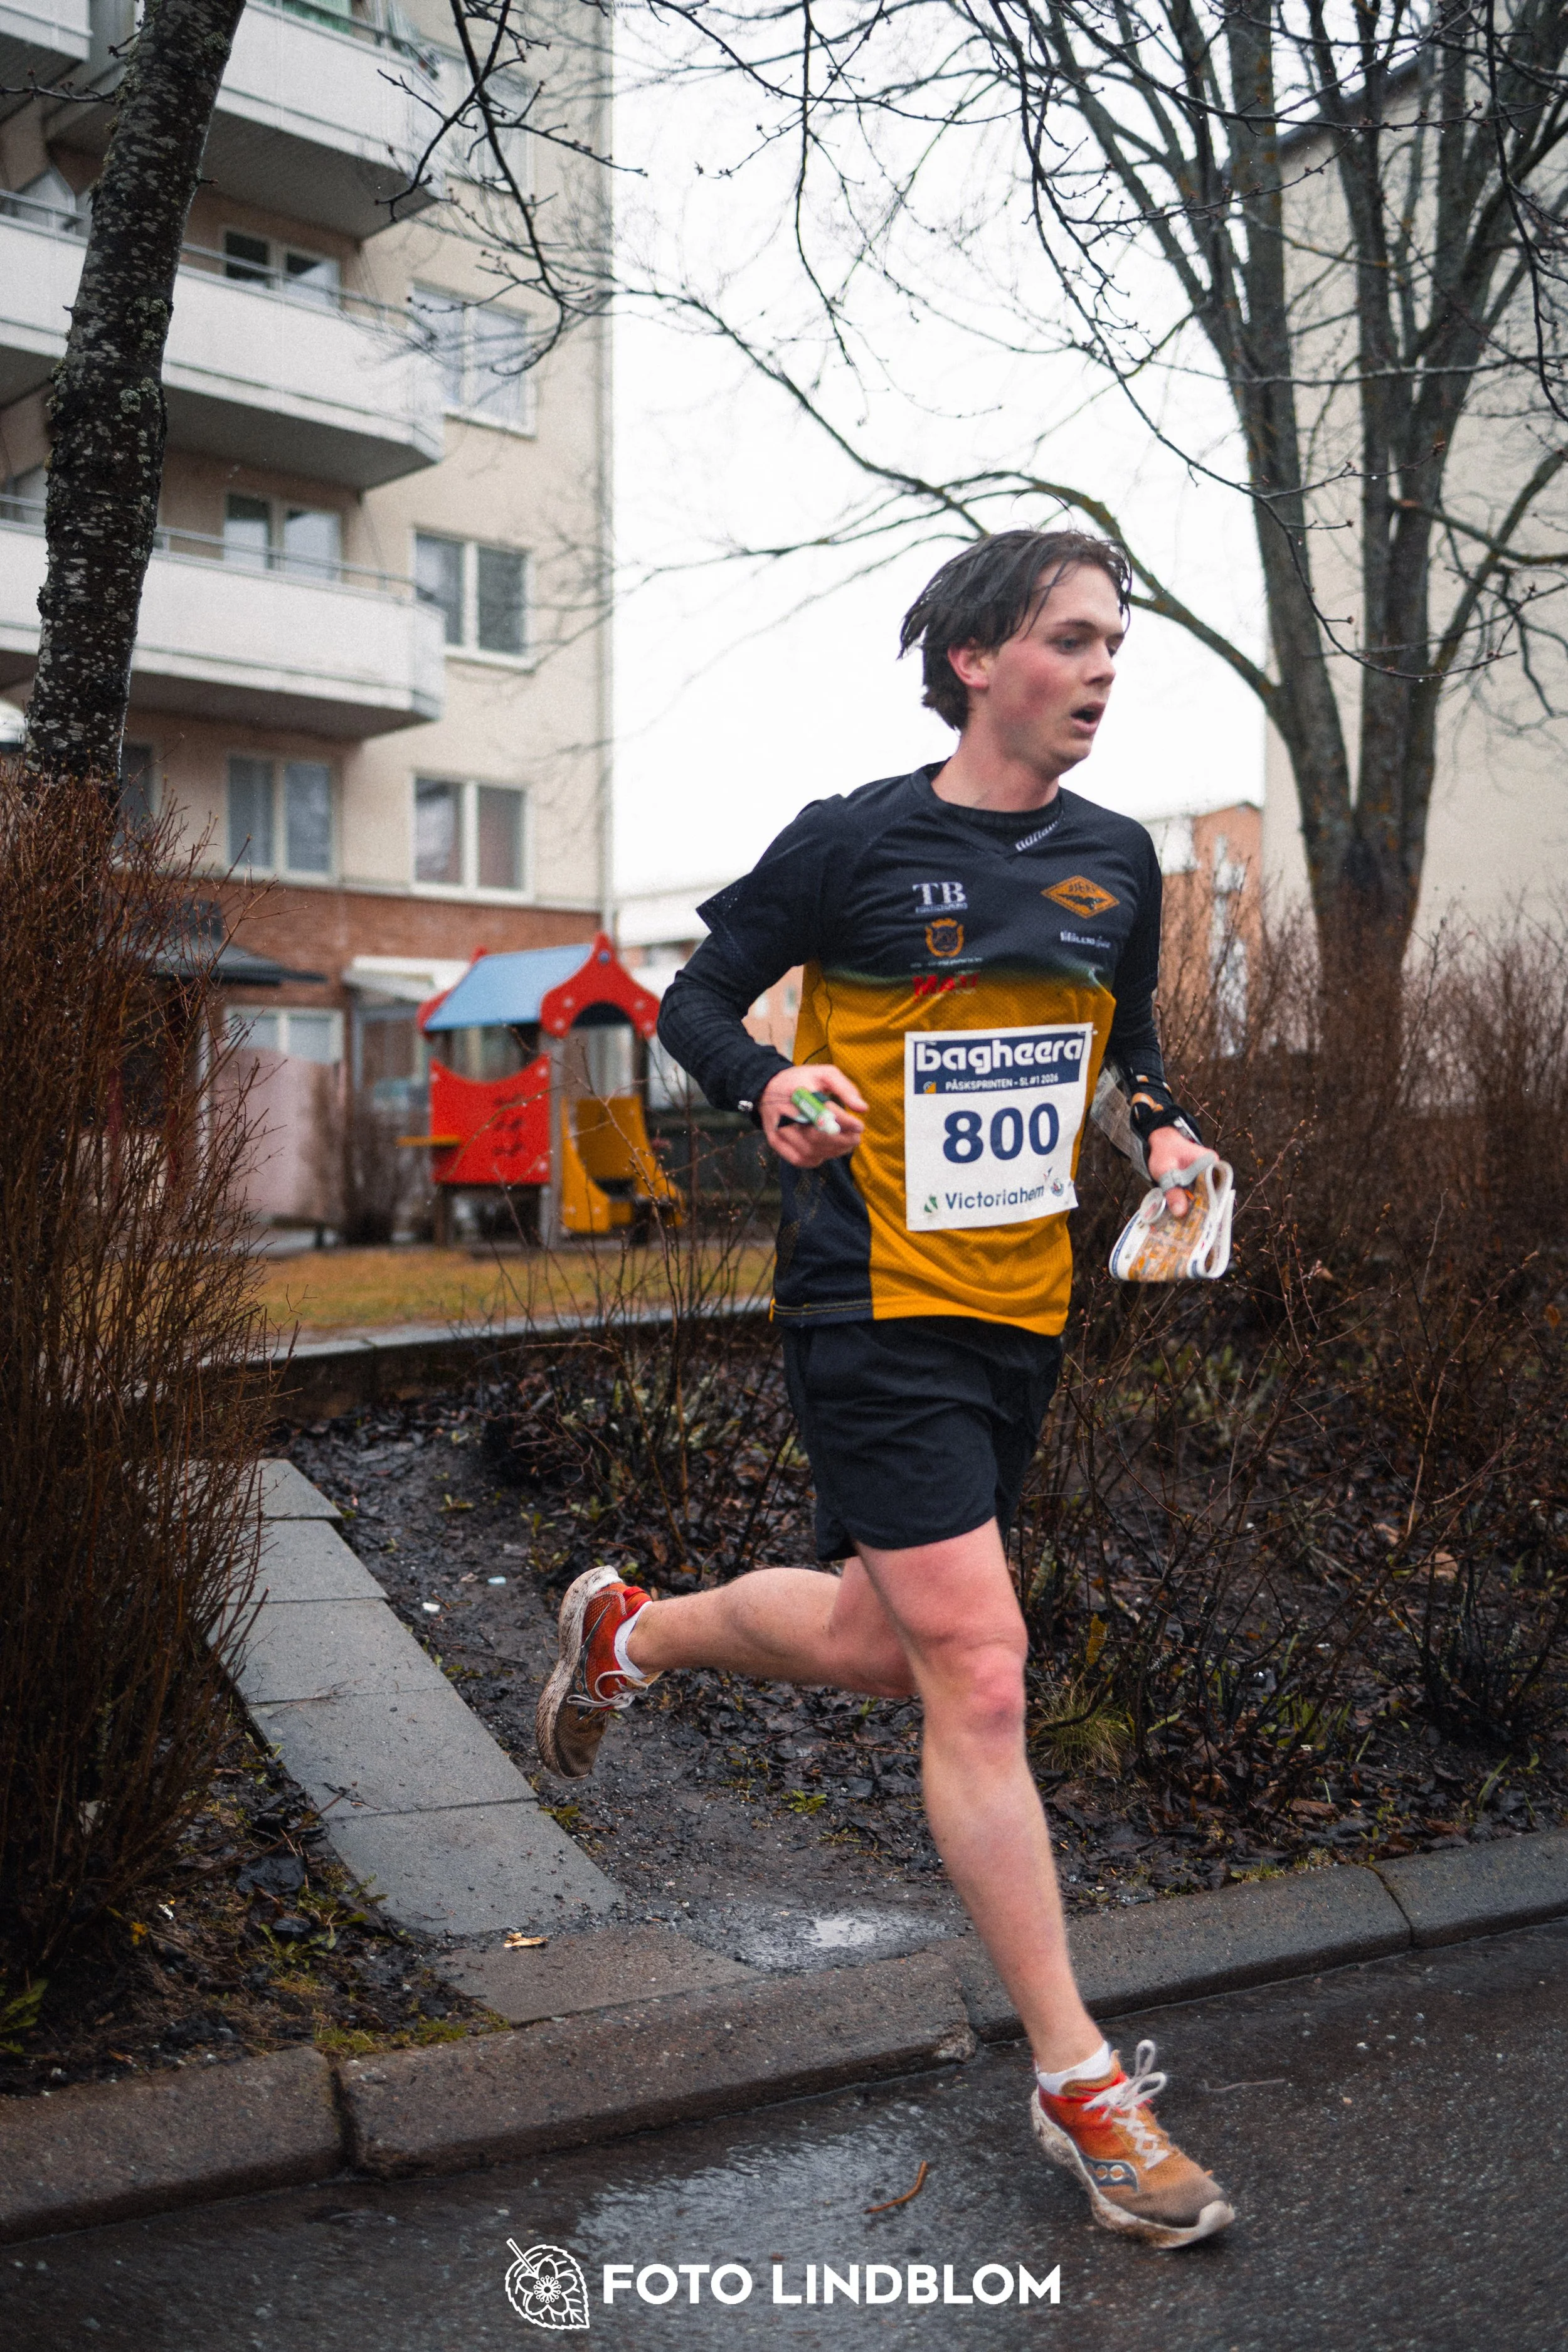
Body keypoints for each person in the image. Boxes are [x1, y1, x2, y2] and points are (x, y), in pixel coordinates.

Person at [535, 528, 1234, 2250]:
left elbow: (1117, 1056)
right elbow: (692, 997)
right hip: (869, 1298)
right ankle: (1079, 2080)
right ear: (979, 653)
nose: (1100, 669)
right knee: (979, 1672)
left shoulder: (1110, 863)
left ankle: (626, 1628)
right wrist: (767, 1084)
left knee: (877, 1639)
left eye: (1112, 645)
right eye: (1073, 639)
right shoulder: (854, 839)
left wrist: (1162, 1136)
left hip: (1019, 1311)